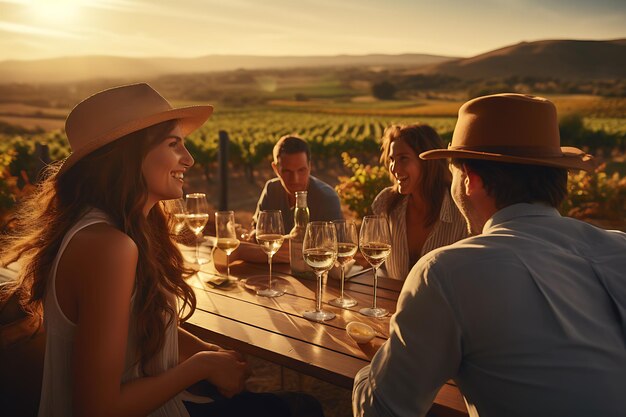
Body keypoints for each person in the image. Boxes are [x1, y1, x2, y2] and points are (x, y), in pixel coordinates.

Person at [0, 83, 323, 417]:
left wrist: (203, 349)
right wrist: (201, 365)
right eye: (174, 144)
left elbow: (134, 321)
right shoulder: (109, 247)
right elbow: (98, 408)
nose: (189, 158)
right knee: (303, 409)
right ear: (130, 154)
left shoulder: (117, 229)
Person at [353, 93, 626, 417]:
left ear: (470, 179)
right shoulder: (618, 247)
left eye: (453, 171)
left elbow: (380, 410)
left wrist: (380, 362)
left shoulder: (445, 272)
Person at [373, 124, 467, 280]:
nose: (394, 168)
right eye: (392, 159)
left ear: (427, 161)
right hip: (391, 302)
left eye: (403, 158)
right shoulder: (386, 203)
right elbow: (378, 265)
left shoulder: (461, 212)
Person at [238, 135, 343, 263]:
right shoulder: (271, 189)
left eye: (302, 170)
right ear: (276, 169)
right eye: (287, 171)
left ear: (310, 166)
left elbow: (331, 250)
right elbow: (256, 234)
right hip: (277, 272)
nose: (295, 179)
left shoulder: (327, 198)